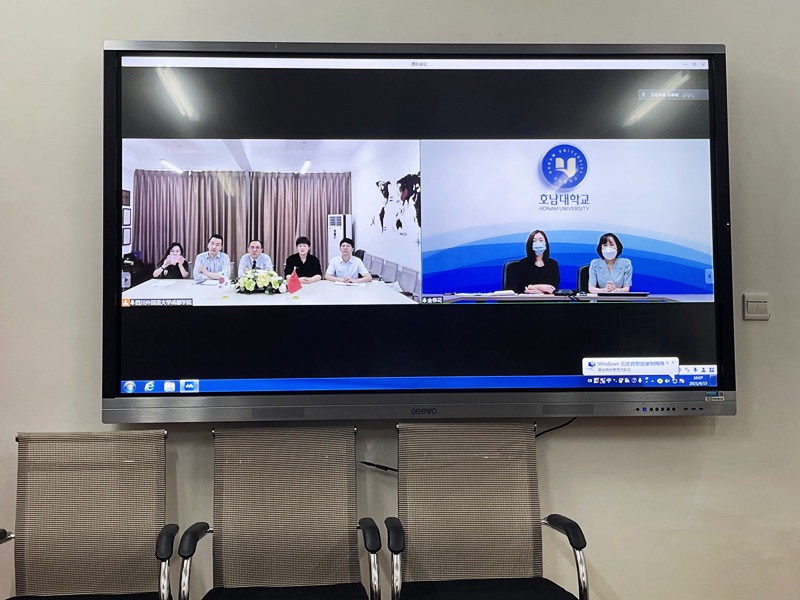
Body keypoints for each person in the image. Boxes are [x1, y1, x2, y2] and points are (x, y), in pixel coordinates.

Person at [512, 229, 561, 294]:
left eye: (541, 240)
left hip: (547, 300)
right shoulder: (523, 264)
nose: (538, 244)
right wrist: (543, 288)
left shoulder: (553, 264)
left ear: (545, 243)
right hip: (527, 300)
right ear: (530, 244)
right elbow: (521, 289)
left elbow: (553, 289)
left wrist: (532, 288)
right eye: (534, 241)